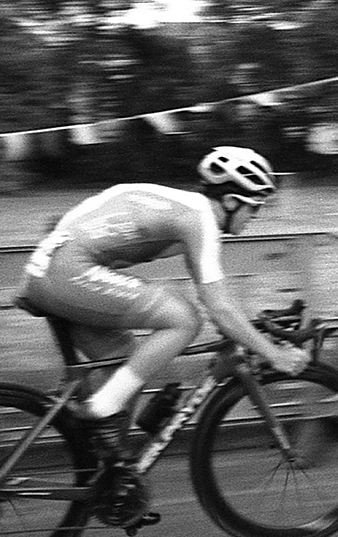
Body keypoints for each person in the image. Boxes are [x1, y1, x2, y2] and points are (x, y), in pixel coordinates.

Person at [16, 145, 310, 461]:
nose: (256, 216)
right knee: (184, 318)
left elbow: (215, 297)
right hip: (65, 273)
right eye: (254, 208)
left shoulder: (181, 207)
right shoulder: (199, 220)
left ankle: (106, 479)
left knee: (124, 367)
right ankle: (100, 410)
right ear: (230, 201)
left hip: (52, 269)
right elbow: (220, 310)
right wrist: (274, 354)